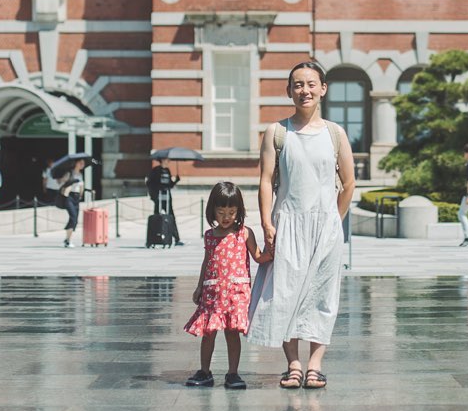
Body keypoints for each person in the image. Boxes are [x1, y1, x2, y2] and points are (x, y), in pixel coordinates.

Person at [247, 61, 355, 390]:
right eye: (297, 85)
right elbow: (266, 181)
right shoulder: (278, 133)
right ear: (289, 91)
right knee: (283, 295)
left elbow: (348, 184)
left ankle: (315, 365)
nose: (304, 90)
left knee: (323, 295)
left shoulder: (335, 133)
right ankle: (293, 364)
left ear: (322, 89)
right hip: (287, 224)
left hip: (325, 227)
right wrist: (266, 221)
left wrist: (333, 221)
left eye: (310, 84)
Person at [184, 182, 272, 389]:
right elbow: (207, 261)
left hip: (235, 294)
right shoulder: (210, 235)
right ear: (212, 210)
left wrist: (271, 253)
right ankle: (205, 371)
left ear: (239, 211)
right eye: (221, 211)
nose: (226, 217)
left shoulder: (244, 233)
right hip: (213, 292)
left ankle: (233, 373)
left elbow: (258, 257)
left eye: (231, 212)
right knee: (208, 333)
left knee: (232, 334)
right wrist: (199, 287)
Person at [145, 159, 183, 245]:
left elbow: (169, 185)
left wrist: (175, 181)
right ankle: (154, 238)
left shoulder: (167, 171)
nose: (168, 162)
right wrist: (154, 193)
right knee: (156, 217)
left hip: (167, 198)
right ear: (162, 160)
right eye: (166, 160)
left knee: (171, 217)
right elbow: (149, 183)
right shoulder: (156, 170)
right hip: (159, 198)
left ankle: (176, 238)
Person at [59, 158, 86, 248]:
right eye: (81, 163)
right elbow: (61, 181)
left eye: (83, 163)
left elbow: (81, 186)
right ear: (76, 163)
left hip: (77, 198)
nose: (82, 164)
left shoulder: (80, 175)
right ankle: (68, 240)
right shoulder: (70, 173)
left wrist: (82, 194)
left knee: (75, 220)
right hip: (69, 196)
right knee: (73, 216)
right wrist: (68, 180)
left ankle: (67, 239)